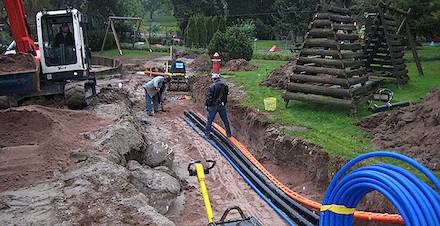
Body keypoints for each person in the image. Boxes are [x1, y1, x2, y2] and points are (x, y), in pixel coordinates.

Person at [204, 74, 231, 138]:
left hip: (214, 106)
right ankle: (228, 133)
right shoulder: (224, 85)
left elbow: (209, 98)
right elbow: (226, 95)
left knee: (210, 120)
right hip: (222, 105)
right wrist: (224, 102)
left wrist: (207, 105)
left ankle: (207, 134)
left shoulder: (212, 86)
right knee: (225, 120)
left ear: (213, 79)